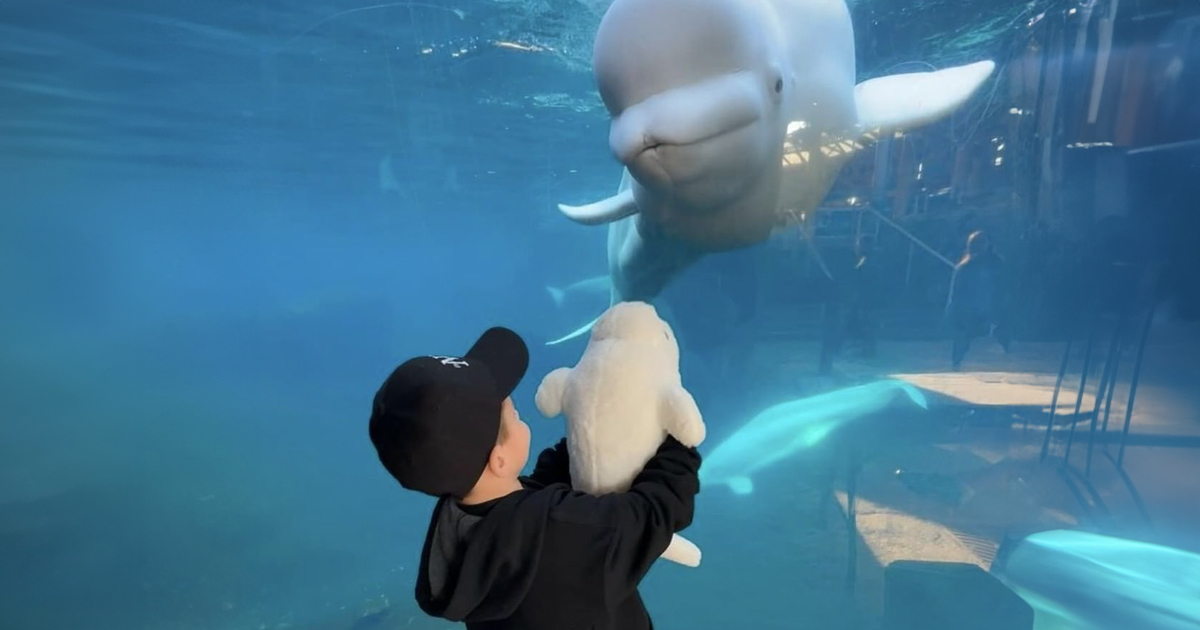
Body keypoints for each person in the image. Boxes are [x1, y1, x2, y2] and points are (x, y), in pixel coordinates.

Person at [368, 326, 702, 630]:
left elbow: (535, 501)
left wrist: (586, 436)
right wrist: (677, 444)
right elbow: (654, 514)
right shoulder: (566, 532)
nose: (521, 420)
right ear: (498, 459)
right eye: (514, 415)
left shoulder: (457, 527)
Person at [946, 230, 1011, 370]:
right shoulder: (965, 267)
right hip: (969, 310)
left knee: (992, 335)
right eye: (978, 243)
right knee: (962, 338)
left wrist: (1000, 306)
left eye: (983, 242)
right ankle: (957, 363)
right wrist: (954, 309)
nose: (982, 246)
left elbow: (1003, 286)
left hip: (988, 307)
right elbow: (957, 291)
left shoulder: (996, 264)